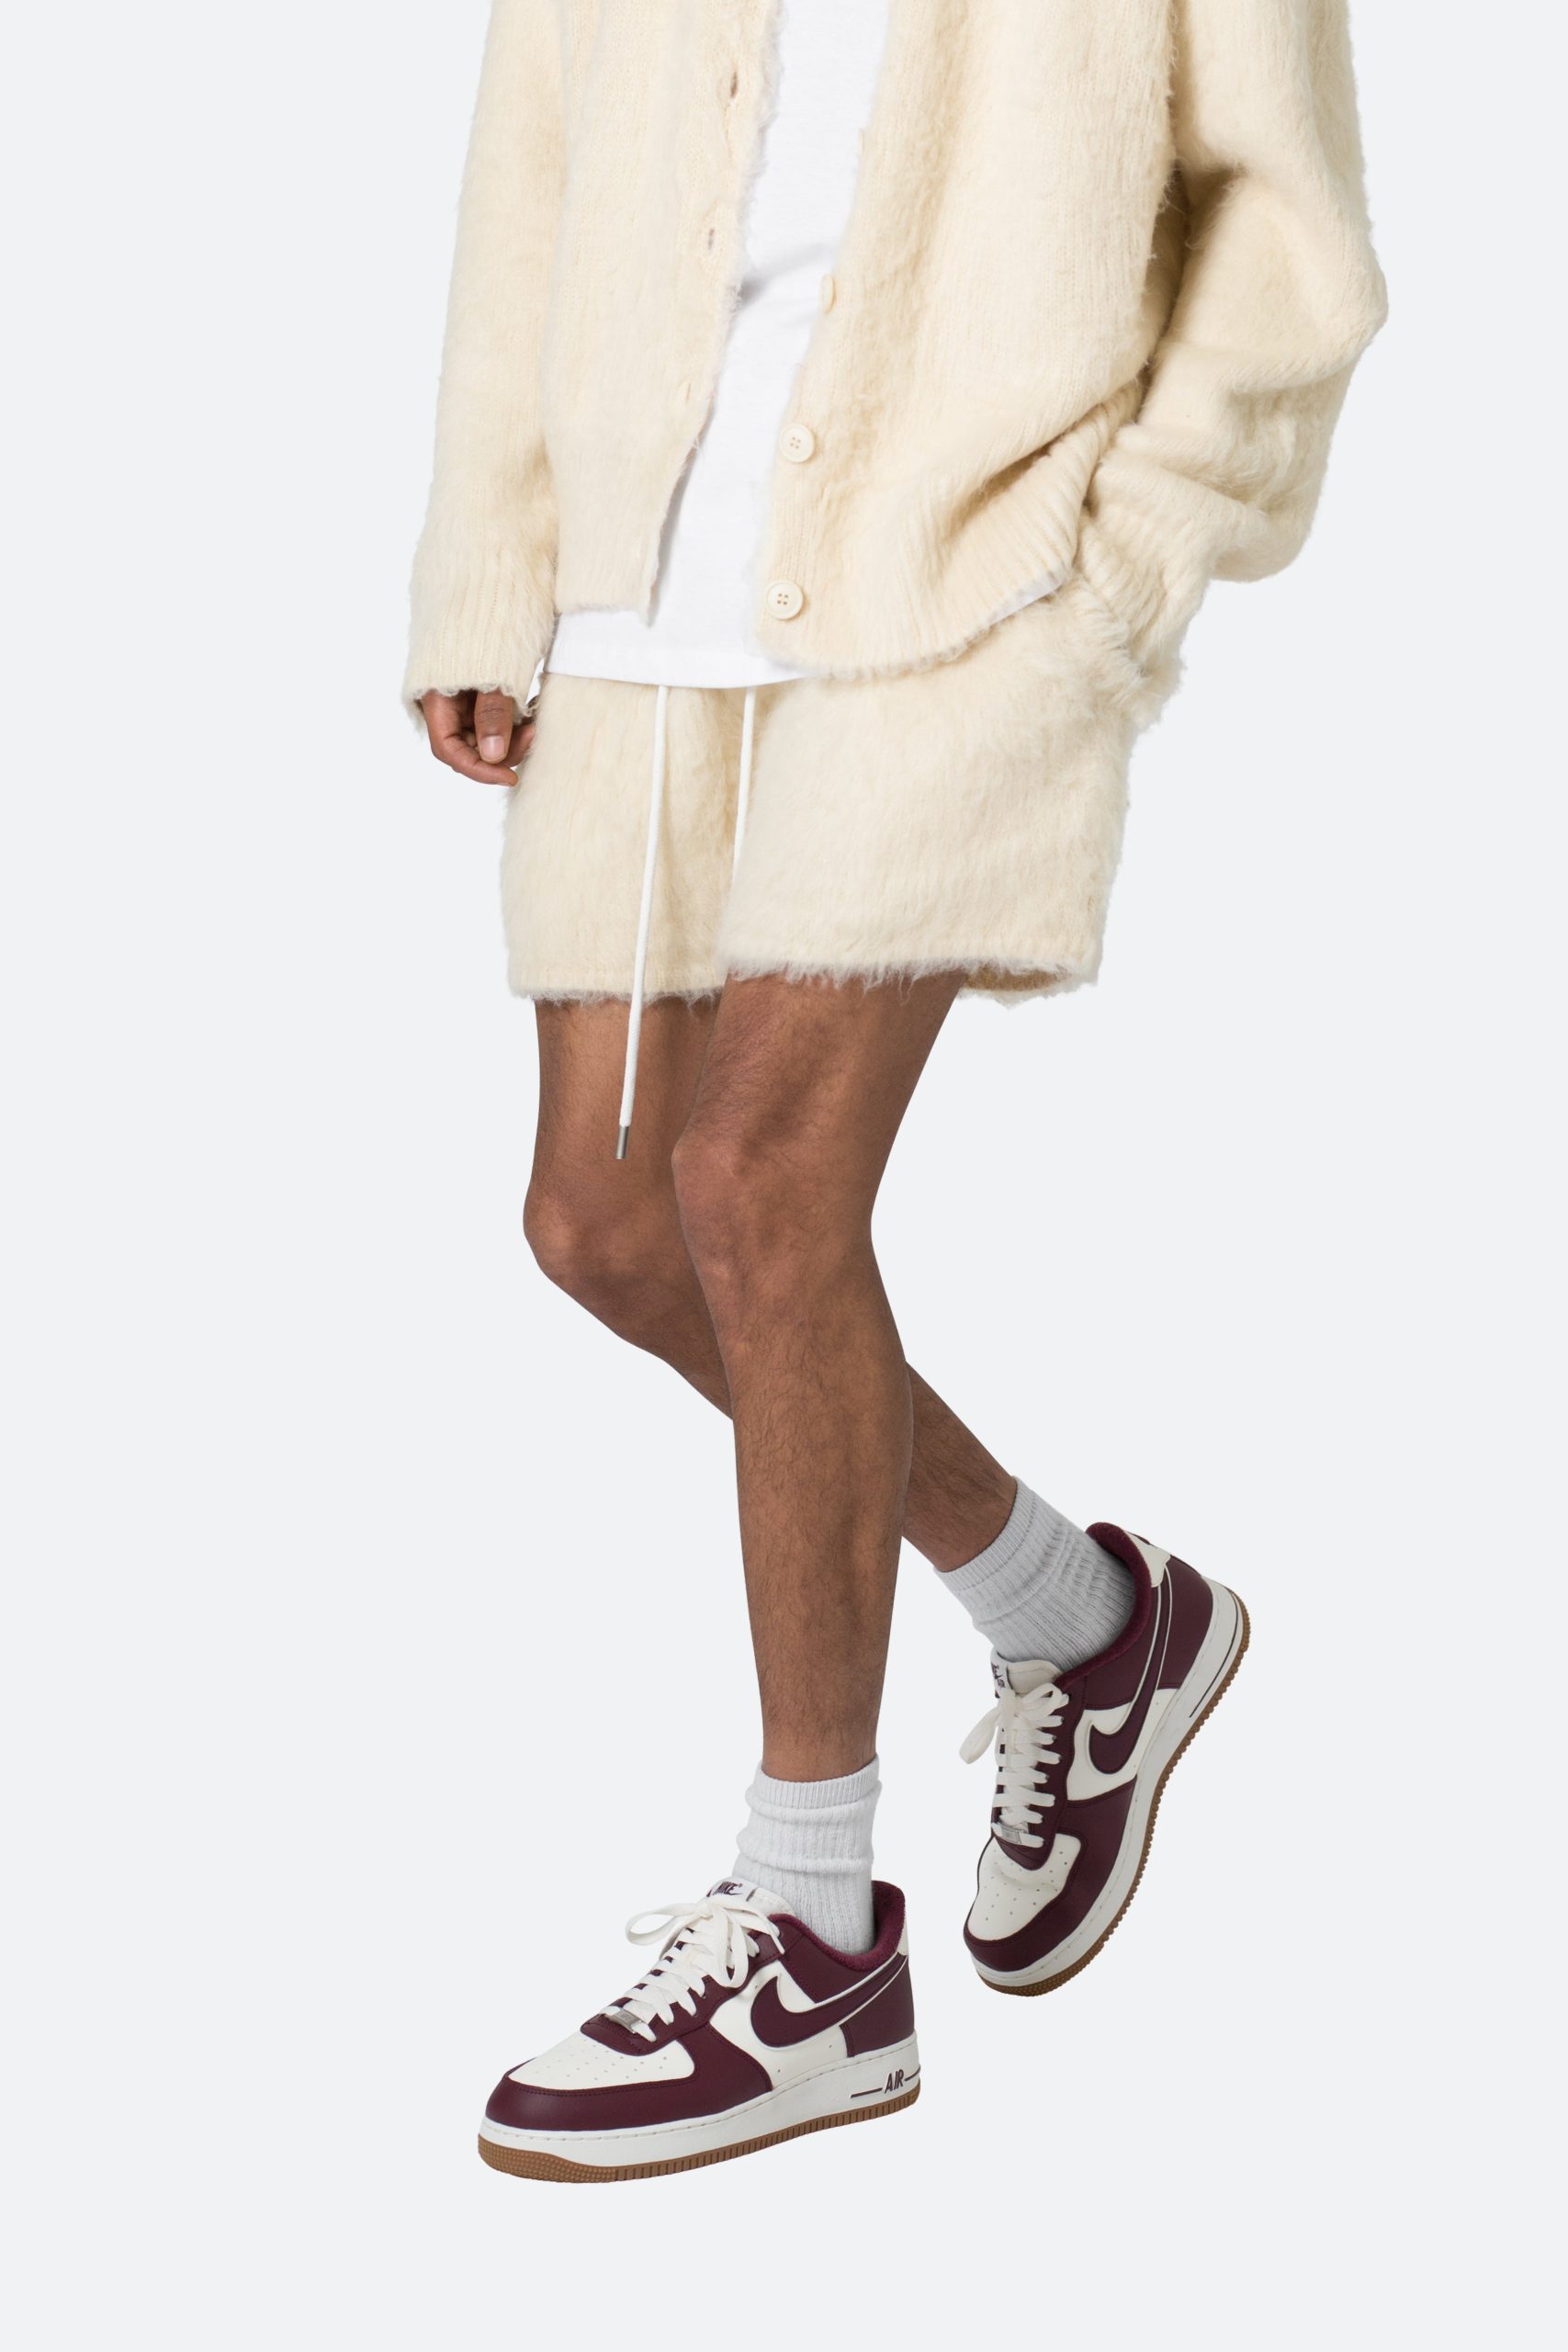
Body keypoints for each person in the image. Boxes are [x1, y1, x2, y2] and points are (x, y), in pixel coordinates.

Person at [406, 0, 1383, 2184]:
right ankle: (1084, 1621)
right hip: (639, 584)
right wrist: (490, 553)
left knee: (760, 1185)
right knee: (604, 1223)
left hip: (969, 585)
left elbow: (1283, 232)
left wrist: (1120, 571)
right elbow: (532, 146)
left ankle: (813, 1930)